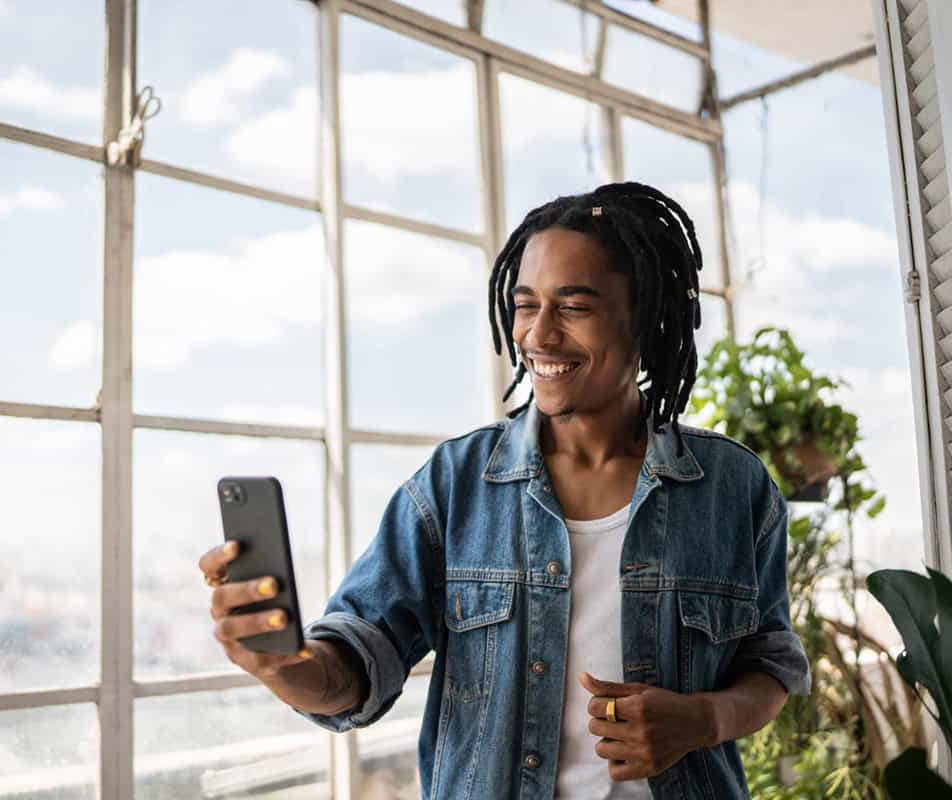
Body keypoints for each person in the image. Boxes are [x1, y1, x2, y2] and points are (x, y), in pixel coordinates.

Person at [199, 182, 811, 799]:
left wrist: (704, 720)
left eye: (574, 306)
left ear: (644, 317)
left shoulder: (733, 487)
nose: (539, 335)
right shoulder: (453, 485)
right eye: (525, 305)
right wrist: (285, 665)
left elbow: (771, 663)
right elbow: (360, 659)